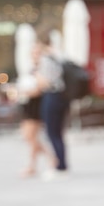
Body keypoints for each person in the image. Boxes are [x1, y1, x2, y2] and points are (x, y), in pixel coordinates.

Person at [17, 43, 54, 177]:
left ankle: (34, 165)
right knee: (29, 137)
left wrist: (23, 92)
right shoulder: (31, 69)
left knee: (31, 136)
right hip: (28, 105)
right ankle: (50, 159)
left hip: (36, 105)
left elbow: (41, 88)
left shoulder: (44, 69)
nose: (35, 56)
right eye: (33, 53)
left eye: (38, 53)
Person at [35, 39, 70, 178]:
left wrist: (36, 74)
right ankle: (62, 164)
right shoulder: (57, 58)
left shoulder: (45, 60)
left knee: (52, 133)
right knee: (58, 133)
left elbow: (45, 83)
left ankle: (60, 166)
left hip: (52, 96)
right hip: (61, 97)